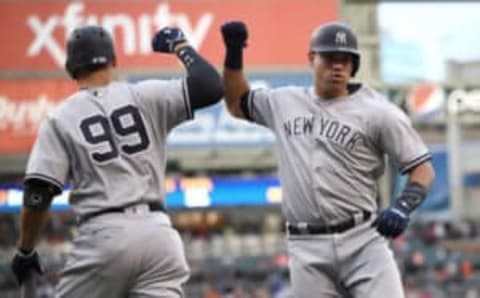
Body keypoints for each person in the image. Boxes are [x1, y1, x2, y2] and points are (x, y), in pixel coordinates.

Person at [220, 20, 435, 298]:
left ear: (354, 65)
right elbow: (237, 103)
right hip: (305, 245)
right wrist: (234, 53)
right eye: (330, 57)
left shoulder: (379, 112)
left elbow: (422, 168)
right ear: (312, 58)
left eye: (346, 60)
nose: (338, 66)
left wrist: (403, 206)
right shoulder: (284, 101)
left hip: (362, 240)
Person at [10, 25, 223, 297]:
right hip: (159, 237)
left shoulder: (60, 118)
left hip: (104, 236)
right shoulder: (145, 95)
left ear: (70, 68)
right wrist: (180, 45)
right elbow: (210, 85)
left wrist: (25, 250)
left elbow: (38, 193)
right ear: (113, 60)